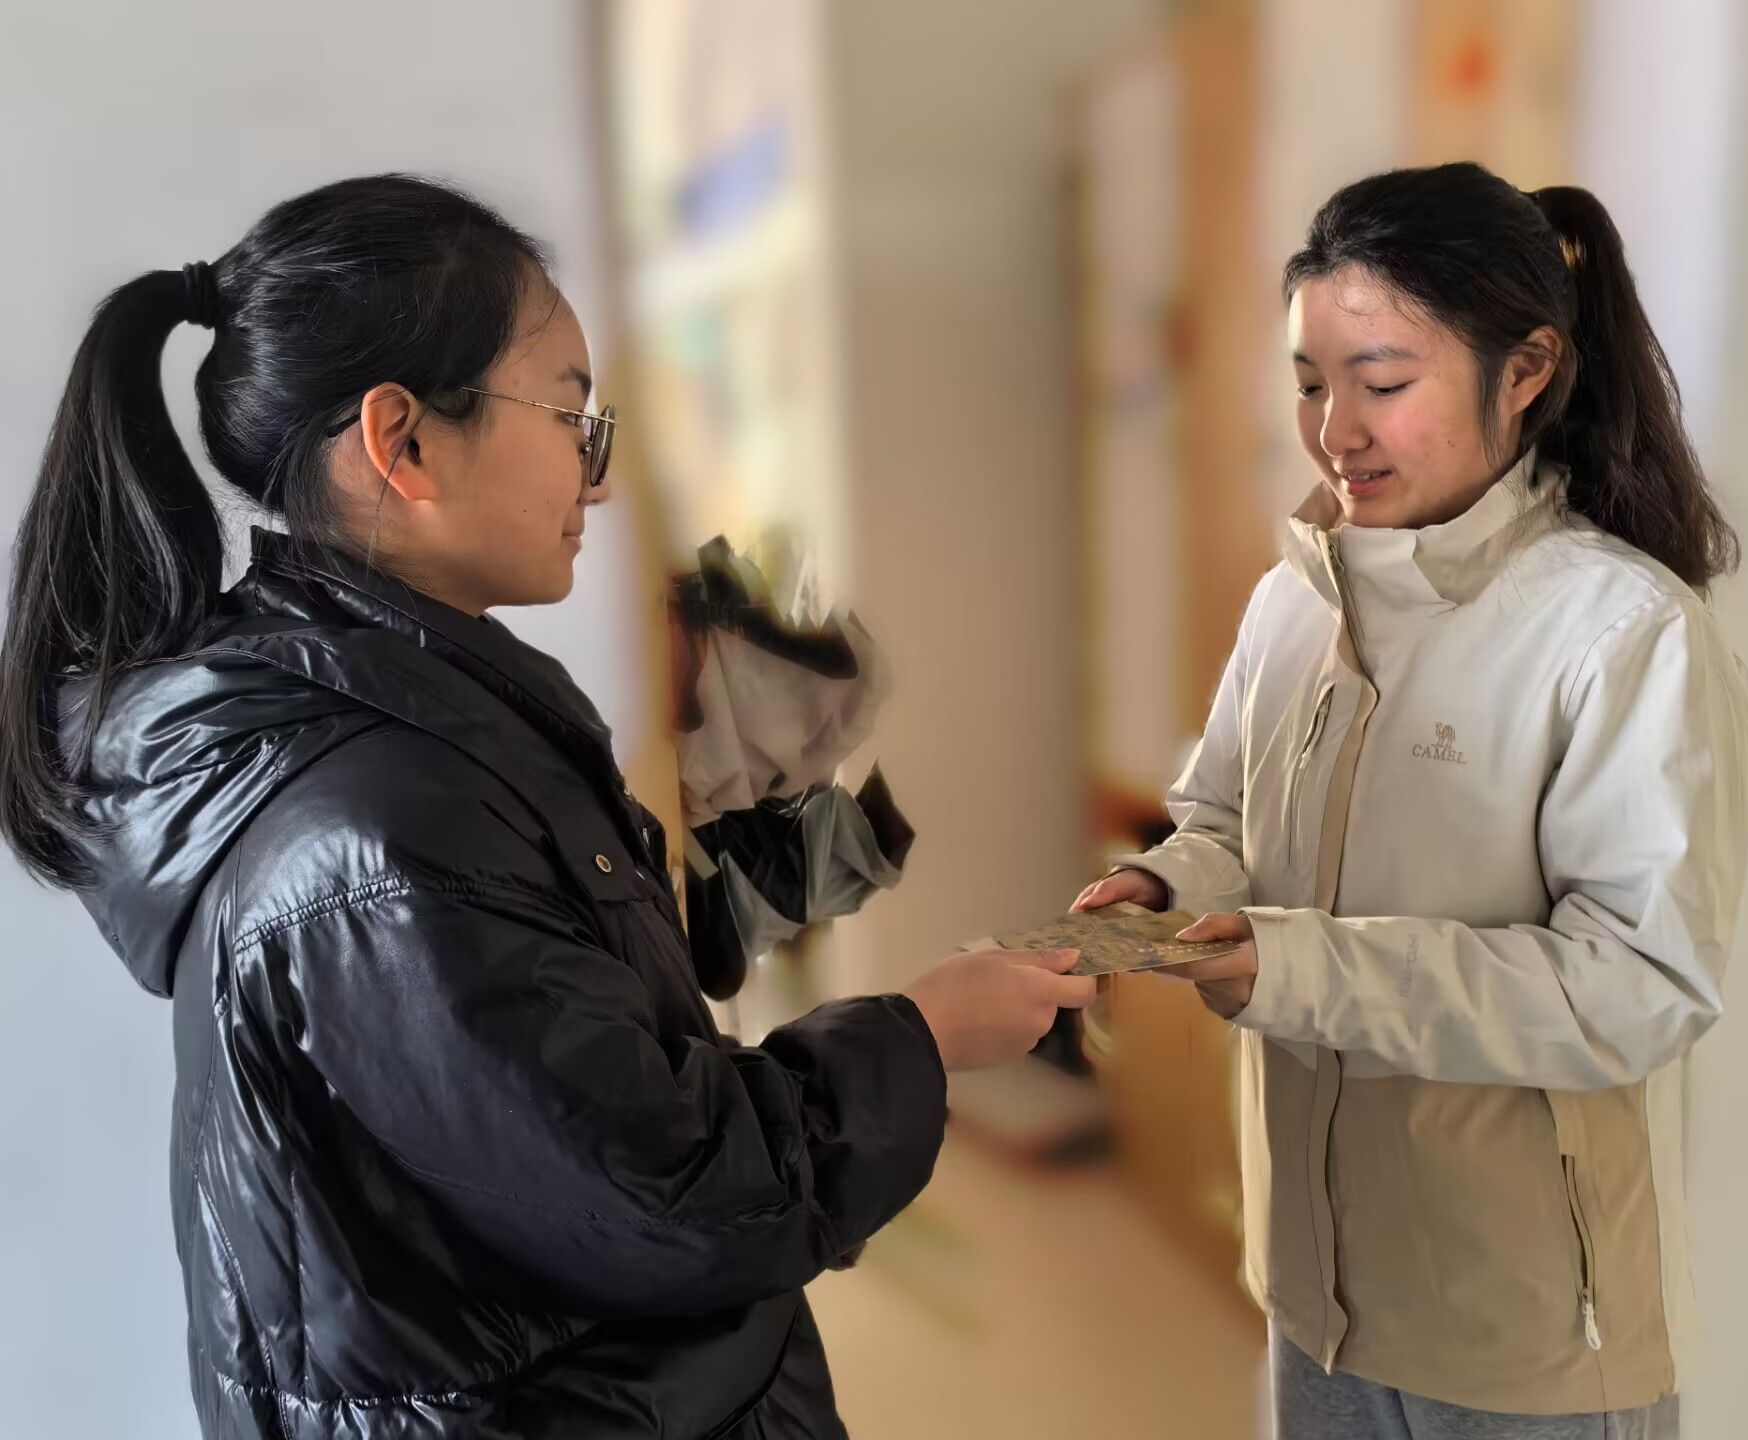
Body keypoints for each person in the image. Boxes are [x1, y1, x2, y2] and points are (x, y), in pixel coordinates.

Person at [0, 174, 1092, 1440]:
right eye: (575, 416)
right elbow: (676, 1192)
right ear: (404, 442)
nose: (599, 478)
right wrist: (927, 1034)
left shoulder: (414, 736)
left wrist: (768, 852)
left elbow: (569, 1063)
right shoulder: (380, 832)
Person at [1072, 162, 1748, 1439]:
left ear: (1528, 370)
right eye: (1310, 383)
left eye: (1383, 383)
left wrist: (1297, 969)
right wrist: (1165, 885)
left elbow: (1636, 986)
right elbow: (1224, 818)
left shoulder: (1623, 634)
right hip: (1315, 1297)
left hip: (1527, 1337)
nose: (1336, 430)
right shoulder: (1296, 599)